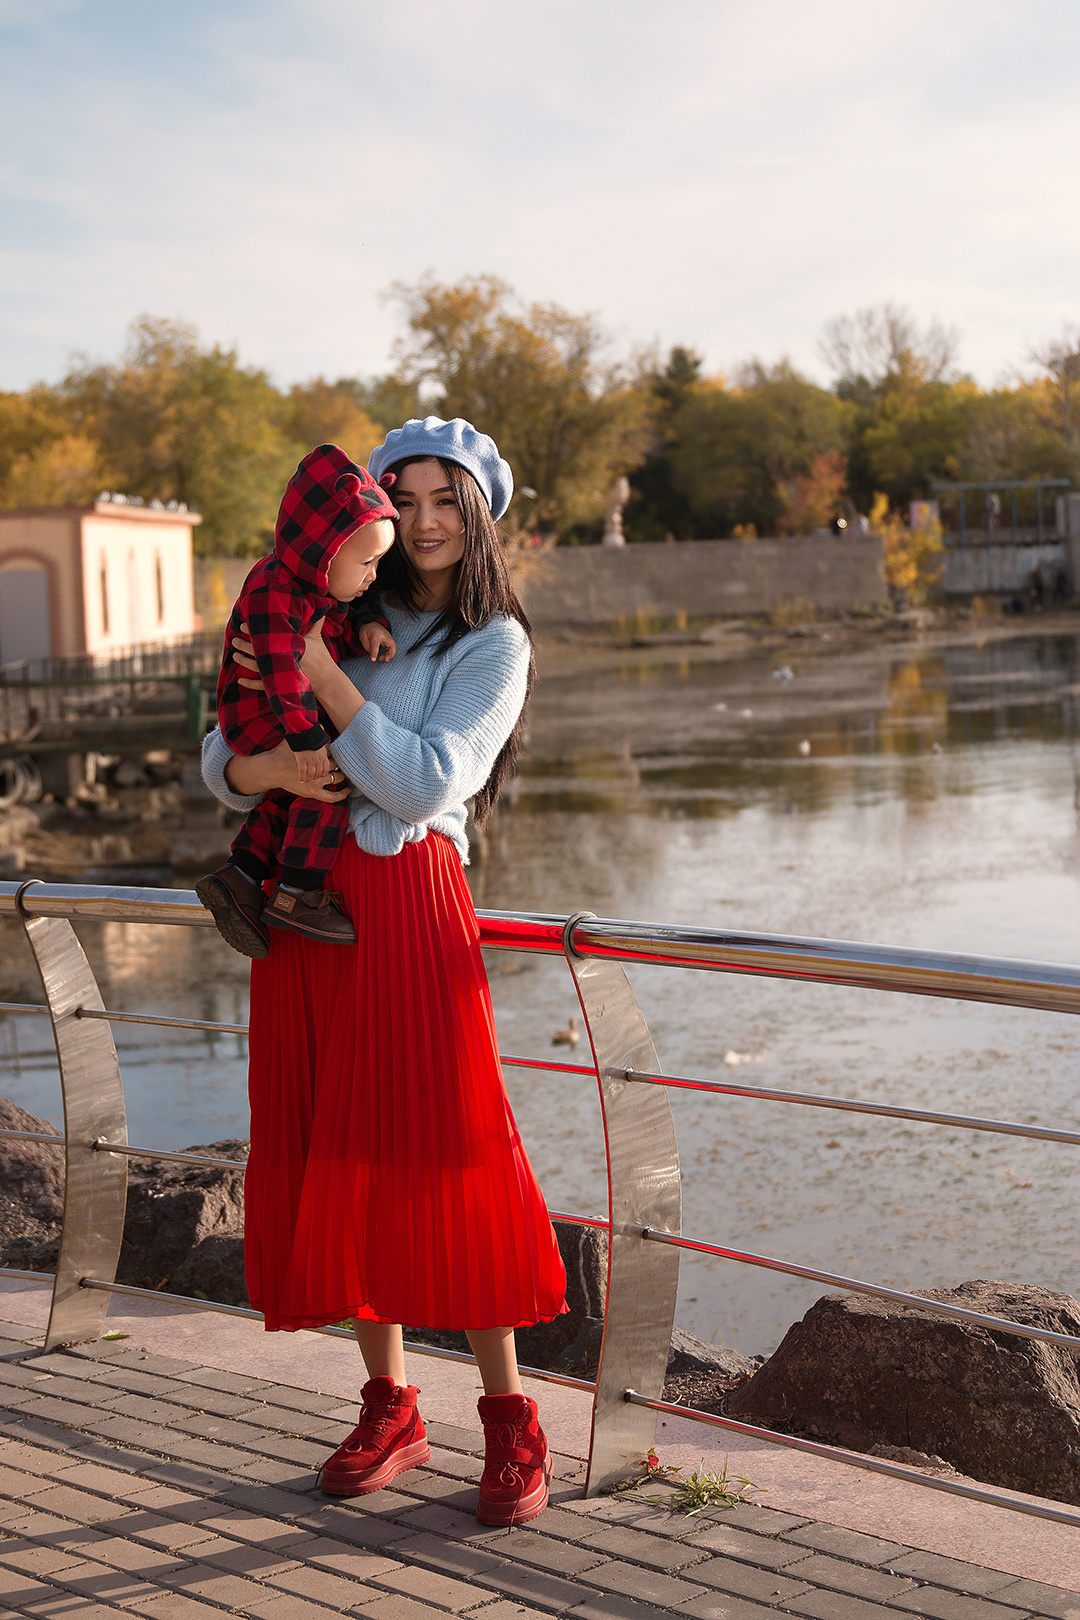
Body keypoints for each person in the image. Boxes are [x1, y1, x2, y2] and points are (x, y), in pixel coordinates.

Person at [200, 415, 568, 1527]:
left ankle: (510, 1420)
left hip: (409, 907)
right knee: (340, 1146)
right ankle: (391, 1408)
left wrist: (322, 675)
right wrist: (275, 770)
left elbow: (424, 784)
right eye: (402, 499)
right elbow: (219, 758)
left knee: (447, 1146)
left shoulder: (490, 645)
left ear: (480, 513)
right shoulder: (329, 598)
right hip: (304, 908)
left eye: (446, 500)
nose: (423, 520)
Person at [196, 445, 399, 955]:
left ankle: (241, 874)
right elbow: (284, 670)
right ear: (325, 550)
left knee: (288, 795)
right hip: (259, 712)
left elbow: (328, 631)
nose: (374, 575)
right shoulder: (274, 590)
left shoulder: (308, 585)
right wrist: (307, 739)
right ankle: (298, 892)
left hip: (274, 712)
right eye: (367, 562)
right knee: (327, 779)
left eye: (379, 562)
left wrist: (367, 625)